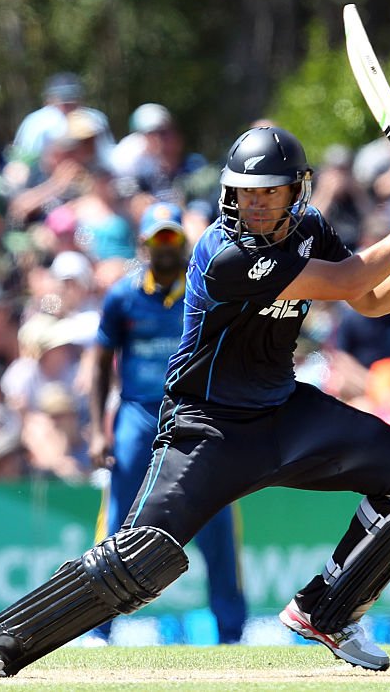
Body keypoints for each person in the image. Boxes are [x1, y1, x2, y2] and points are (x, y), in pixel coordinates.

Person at [0, 125, 390, 676]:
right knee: (143, 558)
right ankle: (5, 640)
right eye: (244, 191)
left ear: (295, 192)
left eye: (269, 192)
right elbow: (353, 276)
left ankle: (327, 611)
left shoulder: (308, 229)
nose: (254, 204)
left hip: (284, 415)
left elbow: (367, 297)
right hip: (206, 431)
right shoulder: (223, 253)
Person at [87, 202, 247, 644]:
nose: (166, 246)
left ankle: (231, 632)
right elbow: (100, 364)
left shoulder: (207, 291)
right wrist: (99, 429)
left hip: (195, 416)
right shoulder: (123, 296)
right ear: (143, 244)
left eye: (172, 237)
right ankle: (99, 628)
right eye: (158, 238)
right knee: (120, 519)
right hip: (138, 415)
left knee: (215, 520)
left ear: (184, 242)